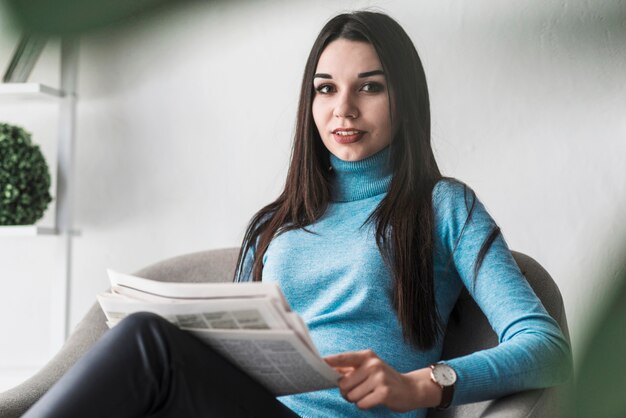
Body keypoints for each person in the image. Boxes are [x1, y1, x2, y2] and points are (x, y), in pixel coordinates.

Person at [23, 10, 572, 418]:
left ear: (403, 99)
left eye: (370, 88)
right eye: (325, 89)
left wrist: (423, 384)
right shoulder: (273, 223)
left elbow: (546, 347)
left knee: (149, 344)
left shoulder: (443, 205)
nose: (343, 109)